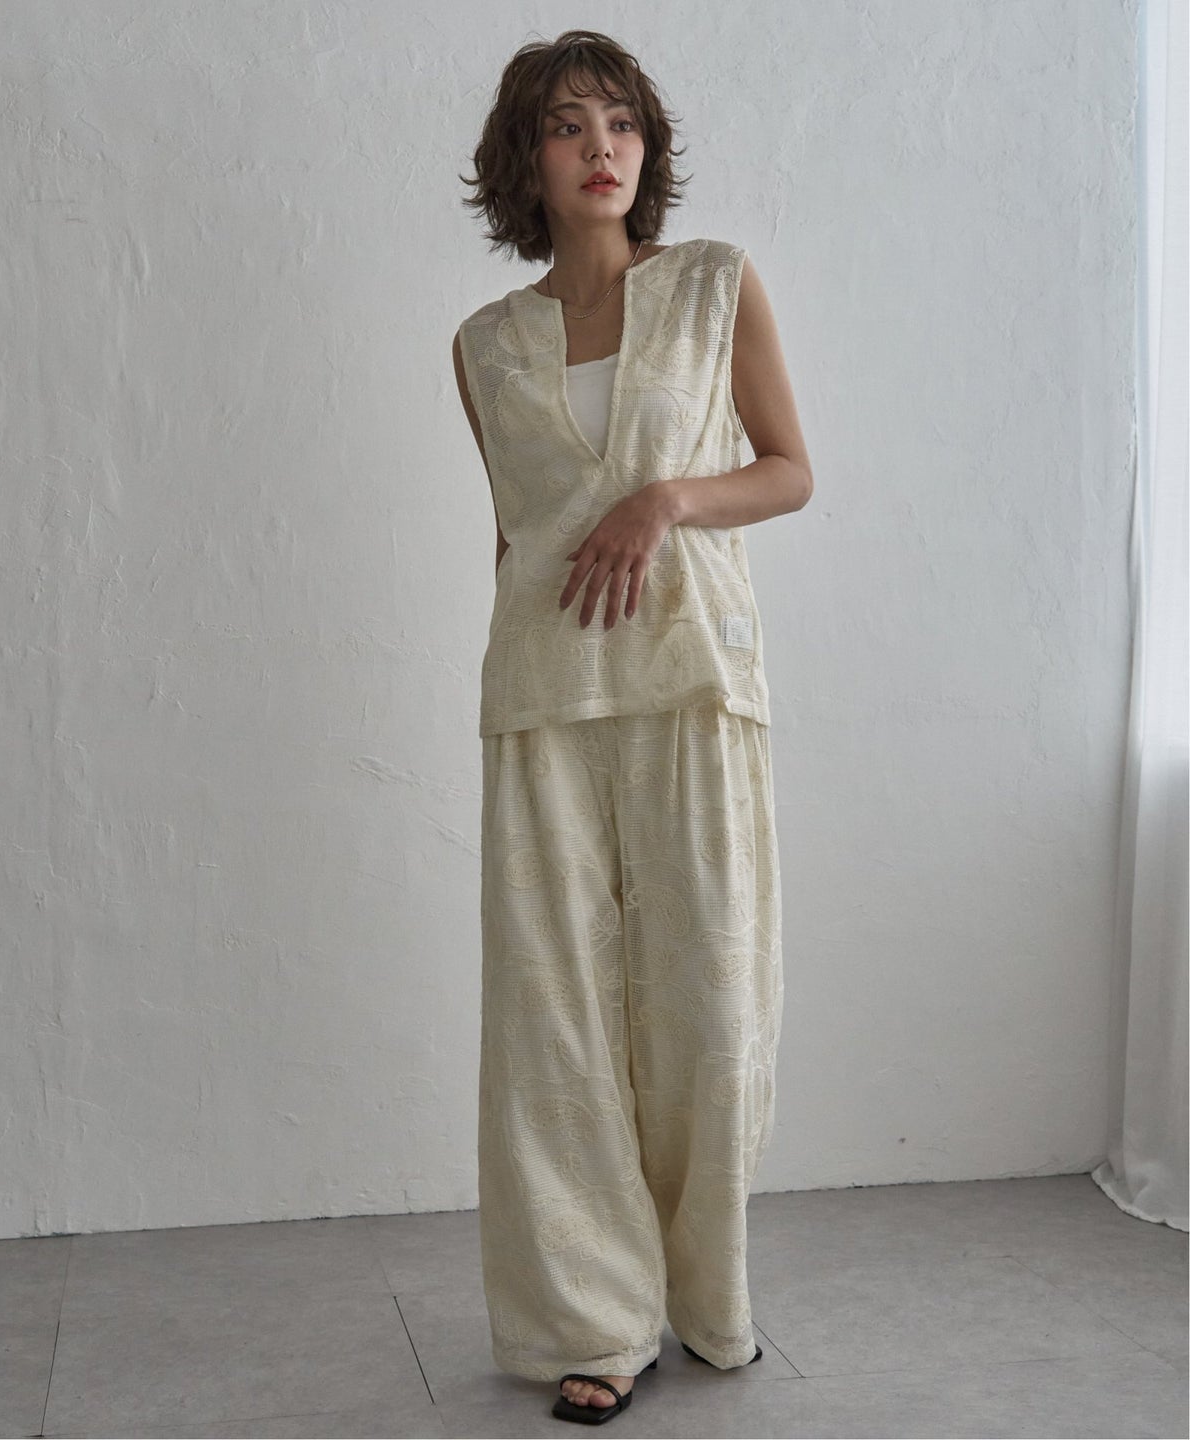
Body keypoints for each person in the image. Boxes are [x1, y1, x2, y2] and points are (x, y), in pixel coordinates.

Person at [452, 28, 813, 1427]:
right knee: (556, 1028)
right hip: (545, 699)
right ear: (526, 161)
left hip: (694, 682)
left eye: (620, 122)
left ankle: (708, 1298)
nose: (599, 147)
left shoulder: (714, 285)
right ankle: (595, 1323)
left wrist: (666, 499)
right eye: (566, 125)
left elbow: (787, 472)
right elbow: (514, 536)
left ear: (646, 148)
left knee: (710, 1013)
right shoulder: (484, 346)